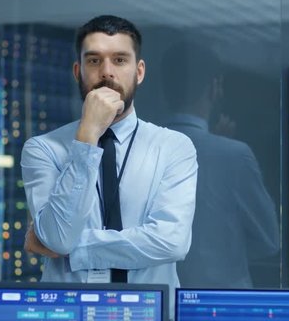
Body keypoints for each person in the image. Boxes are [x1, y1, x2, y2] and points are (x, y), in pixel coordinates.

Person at [21, 16, 197, 299]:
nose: (106, 72)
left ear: (139, 72)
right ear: (77, 71)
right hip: (66, 318)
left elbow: (171, 243)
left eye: (119, 60)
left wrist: (74, 249)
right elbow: (57, 238)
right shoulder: (42, 149)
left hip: (150, 320)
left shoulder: (173, 147)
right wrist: (88, 135)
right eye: (94, 61)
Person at [163, 41, 279, 289]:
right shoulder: (234, 155)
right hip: (220, 304)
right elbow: (269, 241)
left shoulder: (132, 151)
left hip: (157, 304)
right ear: (215, 87)